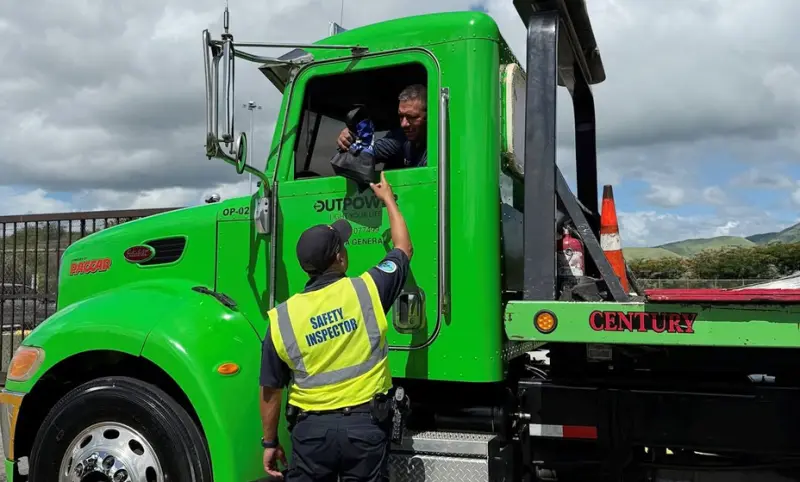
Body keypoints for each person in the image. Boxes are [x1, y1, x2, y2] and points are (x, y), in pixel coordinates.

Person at [259, 170, 413, 481]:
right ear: (340, 258)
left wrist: (270, 442)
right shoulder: (367, 289)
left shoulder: (283, 317)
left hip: (311, 434)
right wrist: (388, 201)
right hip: (365, 428)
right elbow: (403, 249)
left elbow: (271, 390)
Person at [336, 84, 428, 169]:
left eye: (412, 117)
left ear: (429, 116)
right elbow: (369, 153)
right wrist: (353, 138)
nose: (404, 124)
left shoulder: (440, 146)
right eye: (401, 116)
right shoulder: (400, 138)